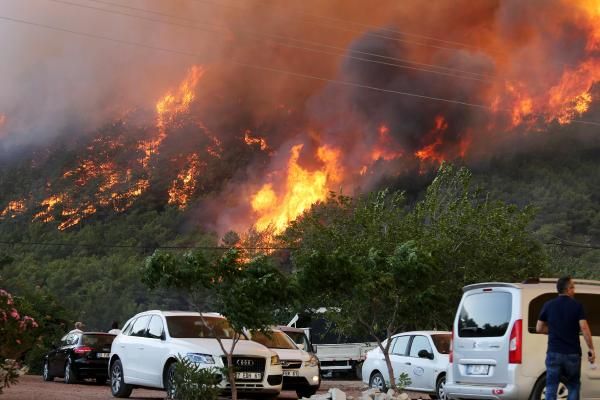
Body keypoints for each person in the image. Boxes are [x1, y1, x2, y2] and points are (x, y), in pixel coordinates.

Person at [536, 276, 596, 400]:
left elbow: (539, 328)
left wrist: (554, 330)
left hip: (554, 353)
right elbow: (584, 328)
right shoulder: (577, 306)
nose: (574, 290)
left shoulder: (548, 305)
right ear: (568, 289)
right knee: (573, 385)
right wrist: (591, 349)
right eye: (573, 287)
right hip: (572, 354)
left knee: (551, 386)